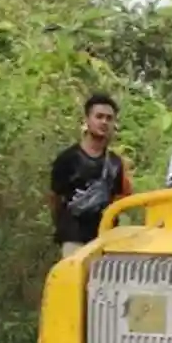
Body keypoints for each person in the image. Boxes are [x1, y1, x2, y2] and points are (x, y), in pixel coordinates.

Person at [49, 93, 132, 257]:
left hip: (105, 239)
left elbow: (120, 201)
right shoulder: (68, 159)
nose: (104, 122)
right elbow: (54, 198)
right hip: (74, 237)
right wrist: (62, 226)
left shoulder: (116, 163)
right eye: (99, 117)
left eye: (109, 118)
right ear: (87, 119)